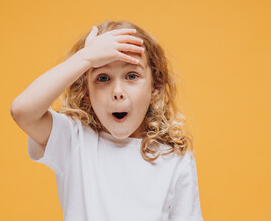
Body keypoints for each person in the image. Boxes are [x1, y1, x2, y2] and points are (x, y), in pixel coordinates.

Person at [10, 20, 203, 221]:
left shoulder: (176, 161)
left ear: (154, 88)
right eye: (103, 78)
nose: (118, 91)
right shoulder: (74, 141)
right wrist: (86, 57)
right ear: (86, 92)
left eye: (131, 75)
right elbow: (23, 111)